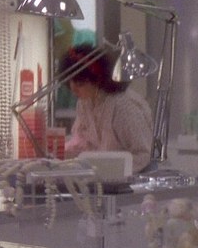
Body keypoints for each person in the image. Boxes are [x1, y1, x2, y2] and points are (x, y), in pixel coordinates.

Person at [61, 43, 154, 173]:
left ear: (97, 79)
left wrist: (111, 171)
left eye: (79, 83)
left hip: (133, 176)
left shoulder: (123, 106)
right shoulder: (84, 103)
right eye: (69, 82)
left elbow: (144, 154)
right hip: (101, 177)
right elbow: (82, 142)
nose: (73, 89)